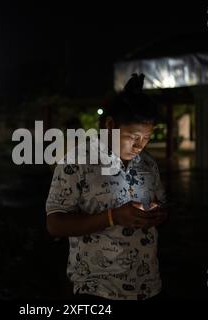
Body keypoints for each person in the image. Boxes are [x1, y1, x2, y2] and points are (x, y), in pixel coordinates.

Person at [45, 73, 168, 301]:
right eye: (133, 136)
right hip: (96, 290)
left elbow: (161, 205)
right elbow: (55, 224)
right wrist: (113, 216)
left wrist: (156, 215)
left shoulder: (149, 165)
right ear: (110, 125)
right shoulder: (77, 163)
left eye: (147, 138)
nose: (140, 145)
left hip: (149, 286)